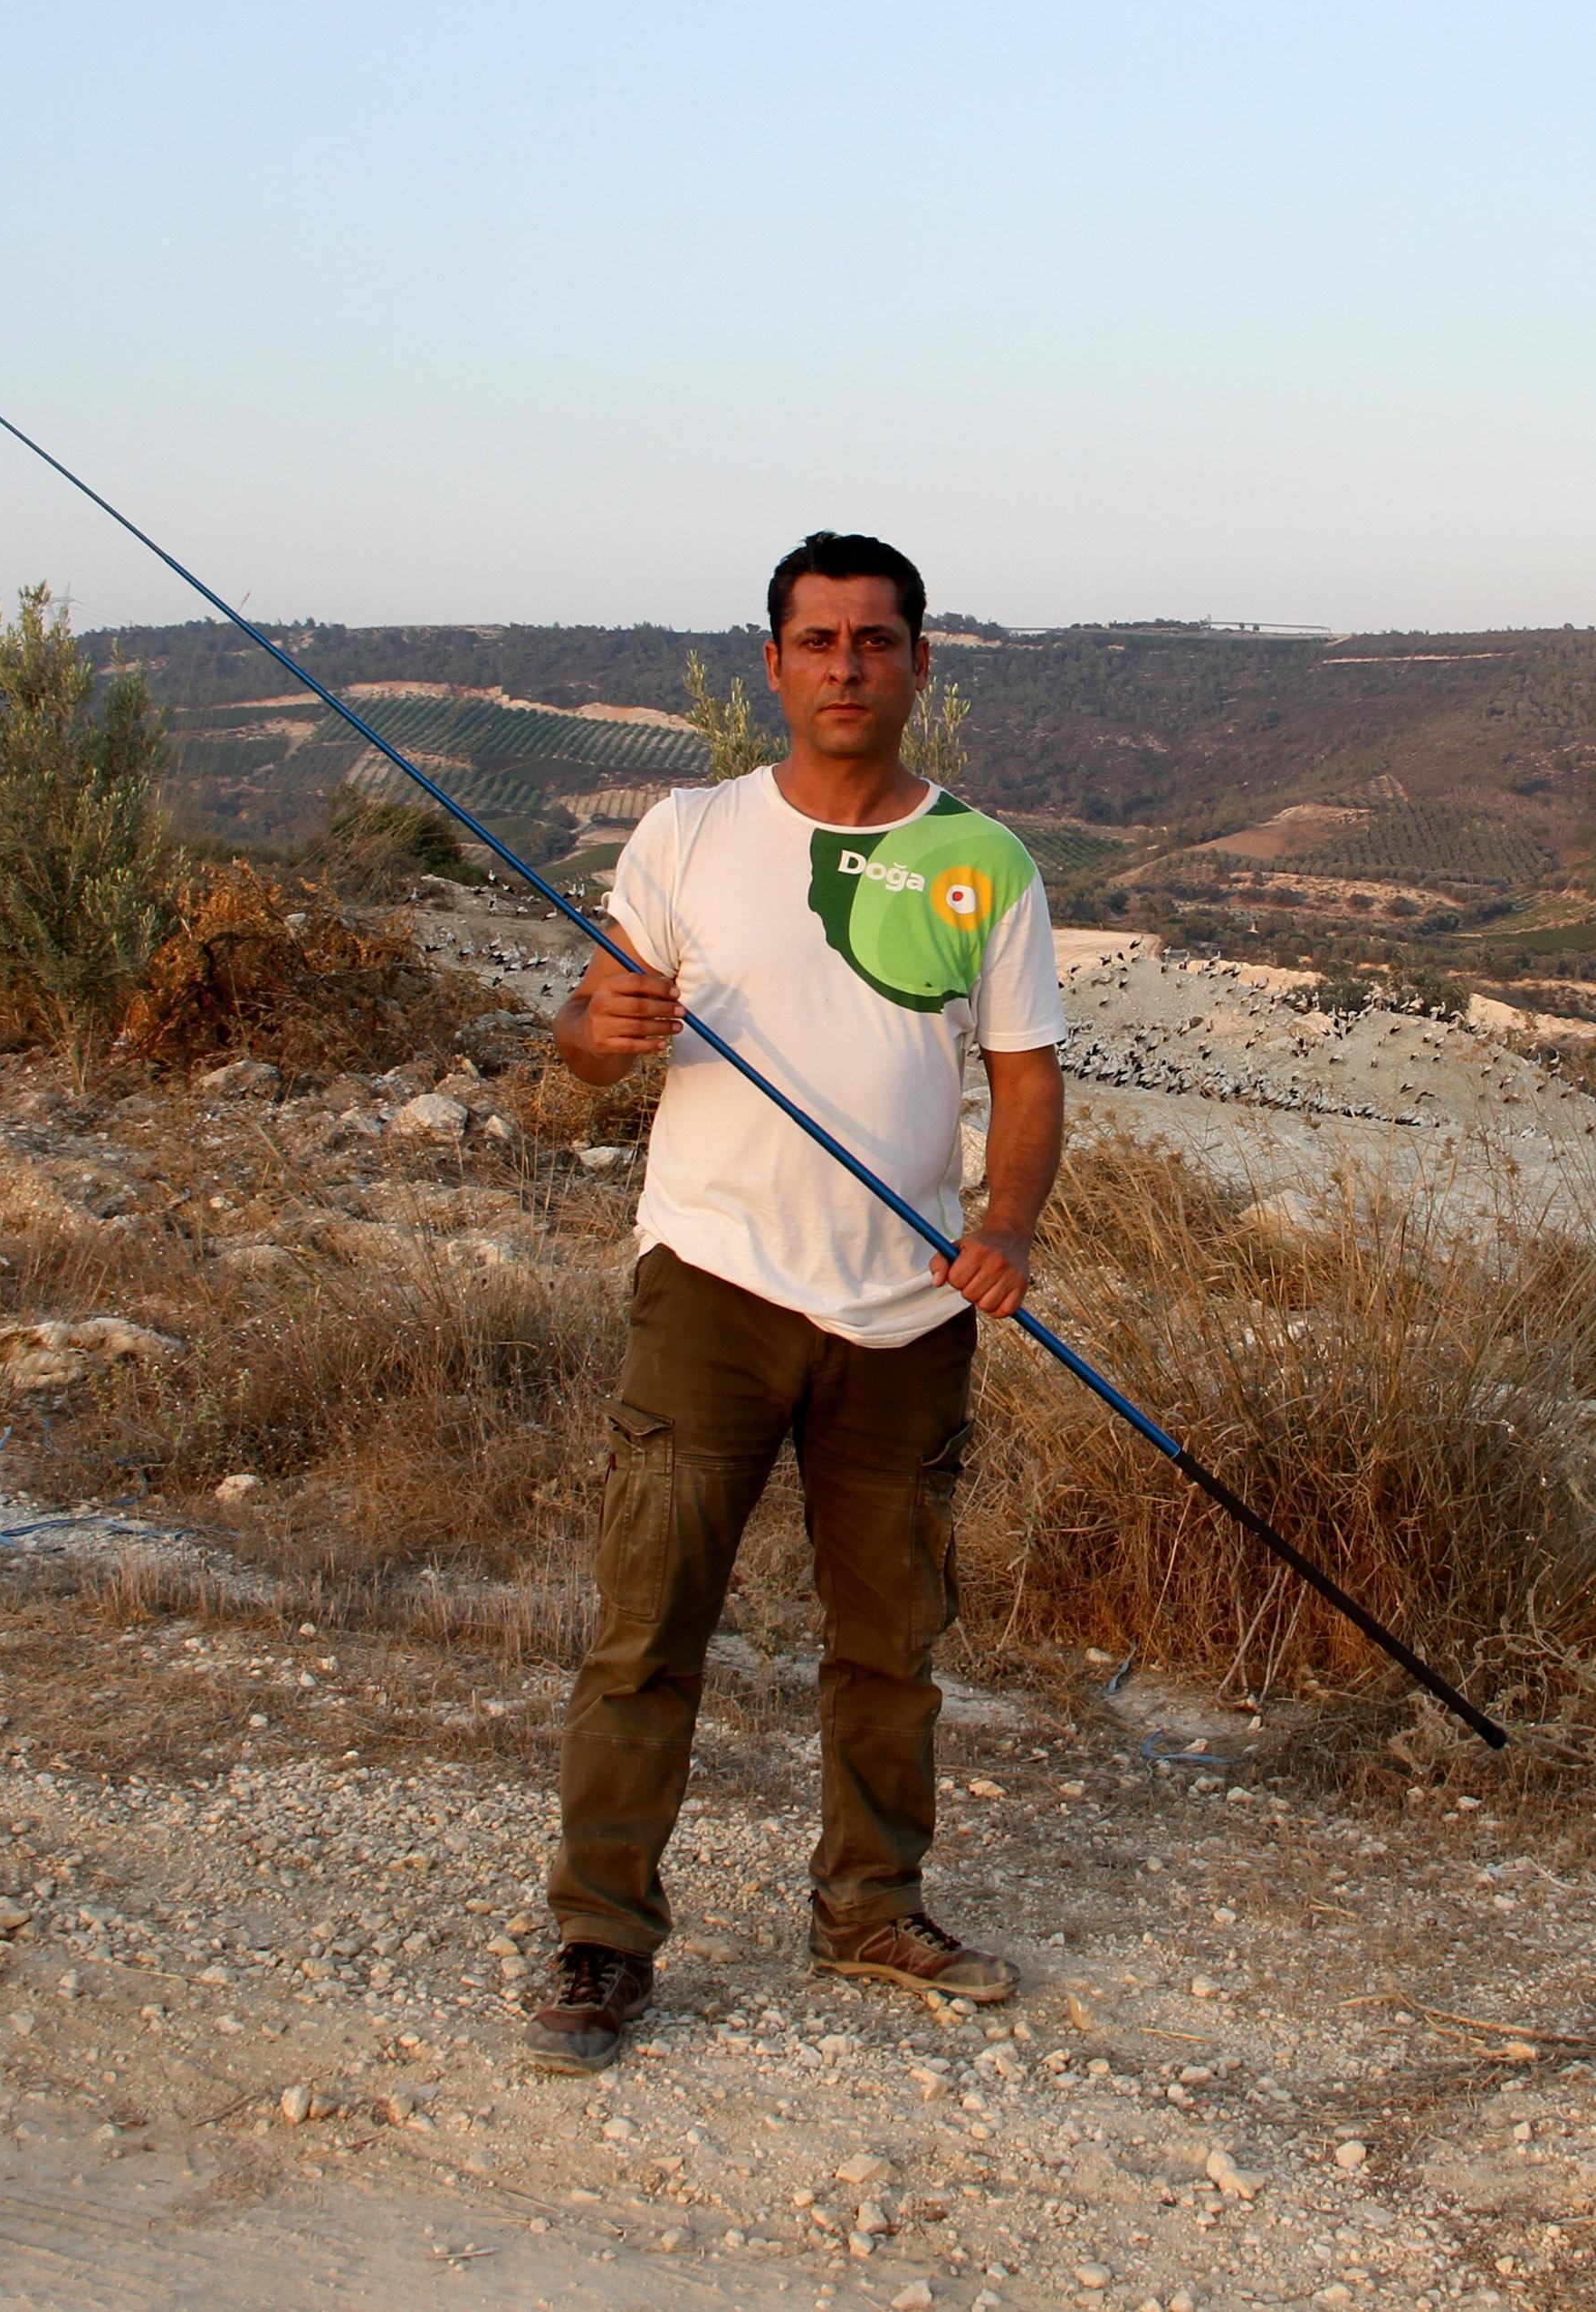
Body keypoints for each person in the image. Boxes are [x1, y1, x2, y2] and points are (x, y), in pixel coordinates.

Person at [520, 530, 1068, 2078]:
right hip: (712, 1289)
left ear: (918, 665)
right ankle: (602, 1942)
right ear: (772, 665)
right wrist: (596, 1029)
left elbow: (1026, 1077)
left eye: (874, 641)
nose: (846, 666)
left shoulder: (988, 861)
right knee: (648, 1631)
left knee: (892, 1642)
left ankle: (871, 1909)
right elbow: (585, 1031)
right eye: (817, 641)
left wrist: (1007, 1224)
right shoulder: (686, 833)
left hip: (909, 1313)